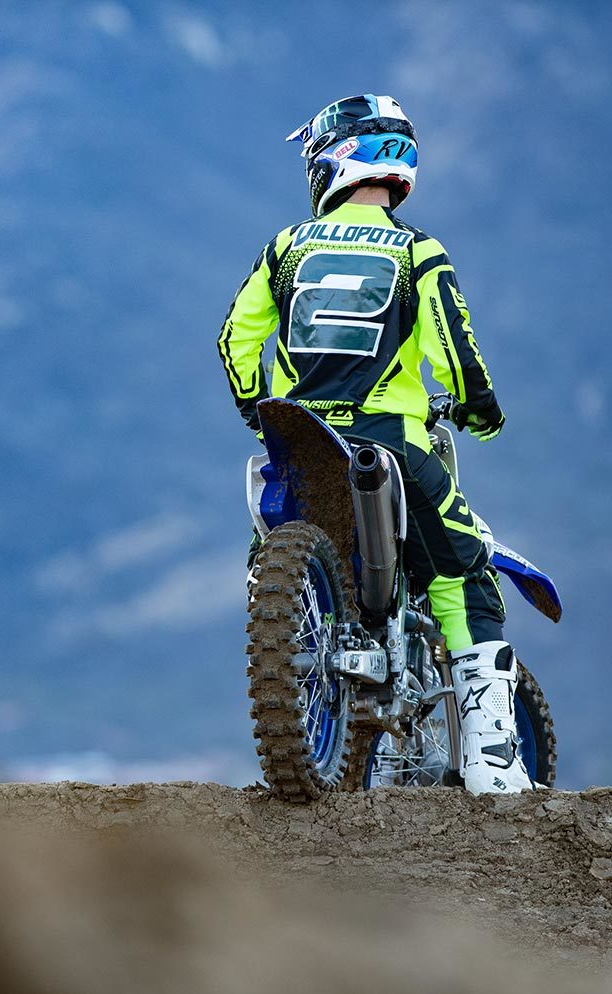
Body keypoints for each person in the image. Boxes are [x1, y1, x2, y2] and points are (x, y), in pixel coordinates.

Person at [217, 95, 531, 793]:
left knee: (267, 556)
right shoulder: (419, 251)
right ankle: (493, 762)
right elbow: (456, 353)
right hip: (392, 438)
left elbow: (236, 339)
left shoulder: (288, 247)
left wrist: (255, 408)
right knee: (464, 574)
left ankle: (307, 684)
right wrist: (480, 411)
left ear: (332, 161)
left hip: (302, 437)